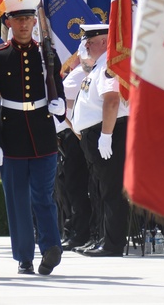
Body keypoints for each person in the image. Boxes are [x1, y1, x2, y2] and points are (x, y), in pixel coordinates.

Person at [0, 0, 65, 276]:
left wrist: (60, 104)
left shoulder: (46, 53)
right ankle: (24, 256)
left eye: (29, 19)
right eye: (19, 20)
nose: (24, 25)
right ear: (8, 22)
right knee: (17, 199)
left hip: (42, 133)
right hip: (12, 134)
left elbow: (57, 85)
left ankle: (51, 248)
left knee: (43, 196)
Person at [71, 24, 130, 258]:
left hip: (107, 133)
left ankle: (113, 244)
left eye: (91, 41)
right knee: (100, 189)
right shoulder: (97, 67)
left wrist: (106, 135)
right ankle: (103, 238)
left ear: (105, 42)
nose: (86, 45)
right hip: (97, 134)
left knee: (111, 189)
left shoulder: (108, 65)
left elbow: (112, 100)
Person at [57, 44, 93, 251]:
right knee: (69, 187)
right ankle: (76, 230)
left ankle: (80, 232)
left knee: (76, 186)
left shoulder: (80, 74)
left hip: (75, 135)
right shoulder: (79, 73)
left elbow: (63, 103)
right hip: (70, 134)